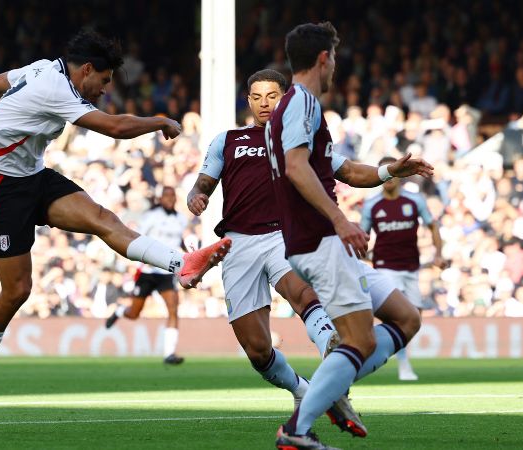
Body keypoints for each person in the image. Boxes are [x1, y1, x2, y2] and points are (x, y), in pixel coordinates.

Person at [0, 29, 232, 429]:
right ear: (86, 70)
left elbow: (2, 79)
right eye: (103, 81)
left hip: (33, 176)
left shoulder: (42, 68)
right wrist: (159, 120)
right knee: (17, 289)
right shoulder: (57, 87)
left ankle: (183, 263)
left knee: (104, 220)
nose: (104, 90)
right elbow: (115, 127)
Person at [189, 68, 428, 444]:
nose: (265, 103)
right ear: (248, 100)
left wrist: (387, 171)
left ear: (283, 98)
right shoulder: (228, 140)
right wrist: (197, 196)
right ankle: (309, 392)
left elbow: (349, 171)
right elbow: (203, 182)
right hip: (238, 244)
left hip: (284, 235)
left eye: (272, 95)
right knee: (257, 350)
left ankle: (333, 364)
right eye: (257, 96)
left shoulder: (298, 138)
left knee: (304, 296)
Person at [266, 23, 433, 449]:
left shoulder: (296, 109)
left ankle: (331, 383)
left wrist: (389, 171)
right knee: (360, 340)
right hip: (318, 241)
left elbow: (343, 169)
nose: (336, 65)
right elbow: (297, 168)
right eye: (335, 58)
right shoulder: (302, 103)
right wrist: (340, 221)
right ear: (324, 59)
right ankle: (296, 430)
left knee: (406, 318)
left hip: (323, 243)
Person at [361, 156, 444, 381]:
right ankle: (403, 364)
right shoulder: (372, 205)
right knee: (399, 317)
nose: (389, 179)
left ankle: (382, 348)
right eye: (385, 174)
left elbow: (432, 225)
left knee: (414, 318)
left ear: (399, 175)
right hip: (385, 267)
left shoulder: (414, 201)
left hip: (411, 267)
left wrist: (438, 254)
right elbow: (363, 235)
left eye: (393, 174)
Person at [105, 186, 188, 364]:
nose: (170, 199)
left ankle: (169, 354)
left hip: (167, 272)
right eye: (167, 196)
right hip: (148, 271)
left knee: (173, 309)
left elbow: (180, 241)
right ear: (160, 199)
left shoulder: (181, 219)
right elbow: (139, 238)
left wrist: (188, 255)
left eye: (173, 196)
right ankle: (120, 311)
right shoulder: (152, 216)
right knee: (134, 313)